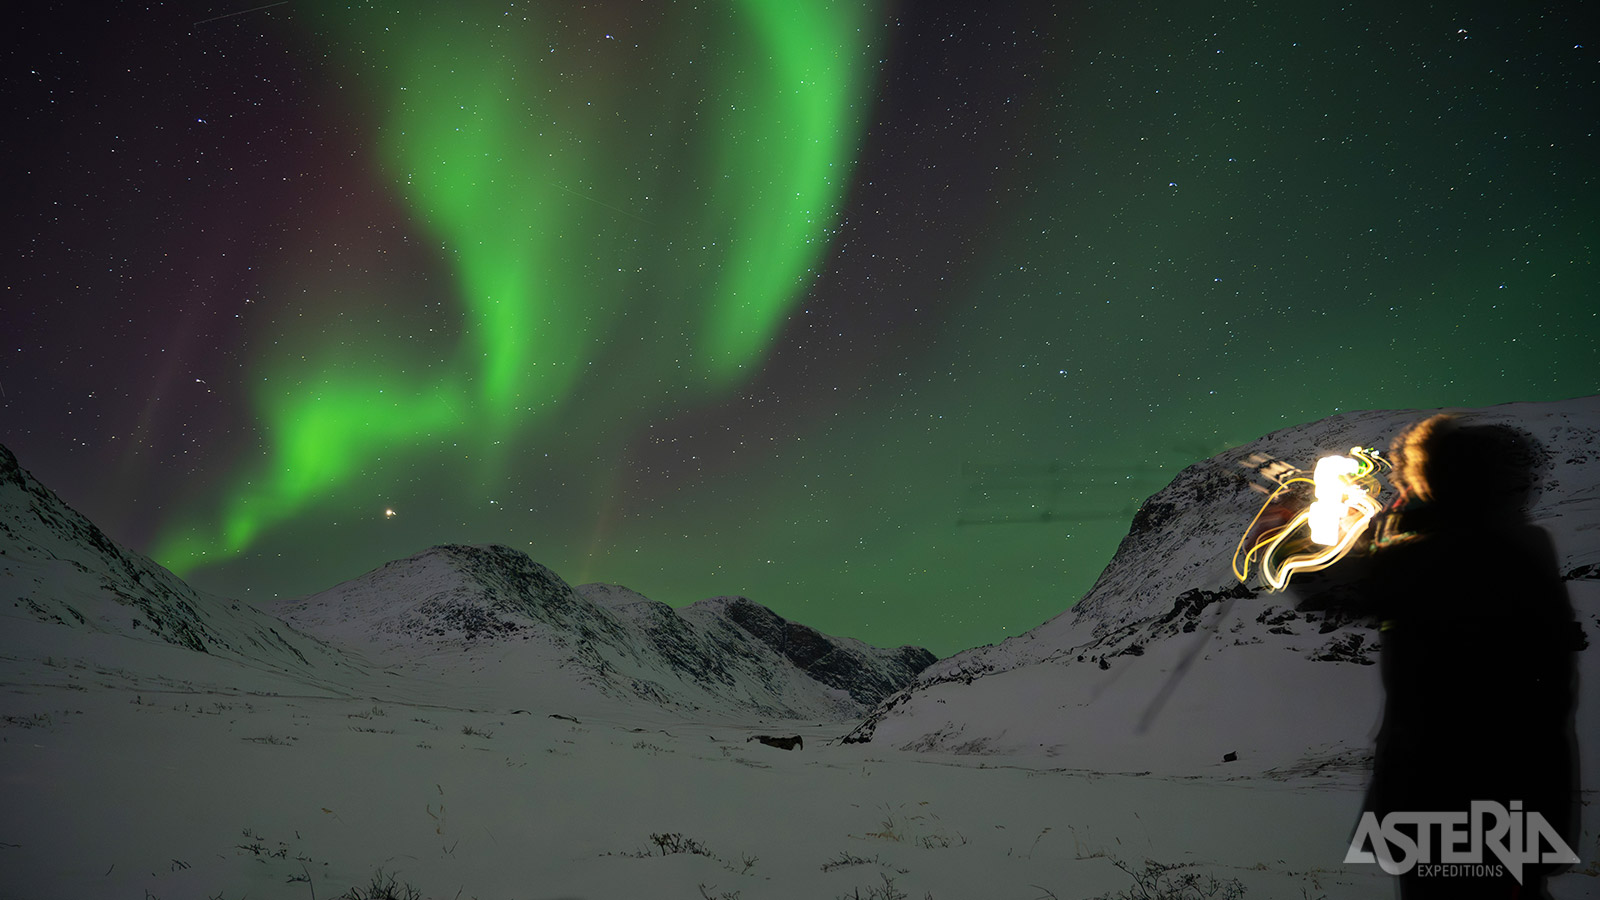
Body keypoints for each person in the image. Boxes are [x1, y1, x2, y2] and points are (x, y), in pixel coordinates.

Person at [1304, 415, 1581, 899]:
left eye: (1413, 479)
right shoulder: (1522, 546)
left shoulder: (1444, 554)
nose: (1400, 488)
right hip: (1521, 783)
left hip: (1441, 788)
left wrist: (1303, 530)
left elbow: (1335, 588)